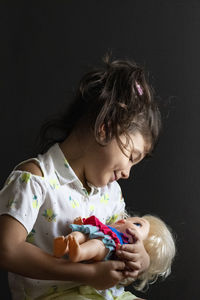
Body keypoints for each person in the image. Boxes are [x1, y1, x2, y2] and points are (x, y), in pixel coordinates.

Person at [0, 56, 161, 300]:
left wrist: (141, 258)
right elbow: (7, 250)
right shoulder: (35, 179)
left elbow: (117, 237)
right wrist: (87, 274)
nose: (128, 173)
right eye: (130, 156)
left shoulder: (111, 193)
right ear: (104, 129)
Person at [54, 215, 176, 292]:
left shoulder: (115, 245)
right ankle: (65, 245)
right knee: (81, 233)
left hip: (104, 246)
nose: (124, 220)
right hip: (96, 231)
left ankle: (79, 252)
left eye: (137, 225)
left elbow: (127, 275)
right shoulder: (109, 223)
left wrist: (143, 263)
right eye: (135, 222)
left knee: (98, 246)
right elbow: (88, 227)